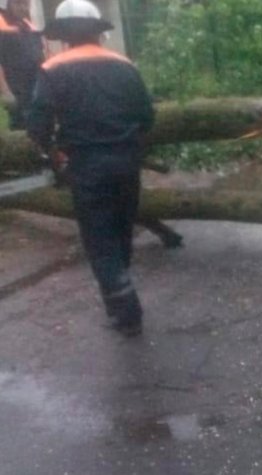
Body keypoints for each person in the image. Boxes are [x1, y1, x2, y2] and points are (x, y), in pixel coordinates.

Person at [27, 0, 154, 336]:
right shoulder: (124, 64)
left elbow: (38, 121)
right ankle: (121, 296)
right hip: (127, 161)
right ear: (98, 31)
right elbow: (146, 116)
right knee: (121, 229)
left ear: (64, 35)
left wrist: (49, 150)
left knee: (99, 239)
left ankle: (126, 310)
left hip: (87, 165)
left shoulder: (53, 68)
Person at [0, 0, 45, 129]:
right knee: (19, 131)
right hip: (15, 91)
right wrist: (6, 91)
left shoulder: (29, 27)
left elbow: (40, 56)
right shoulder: (2, 29)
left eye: (26, 3)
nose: (23, 7)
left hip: (34, 90)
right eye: (18, 3)